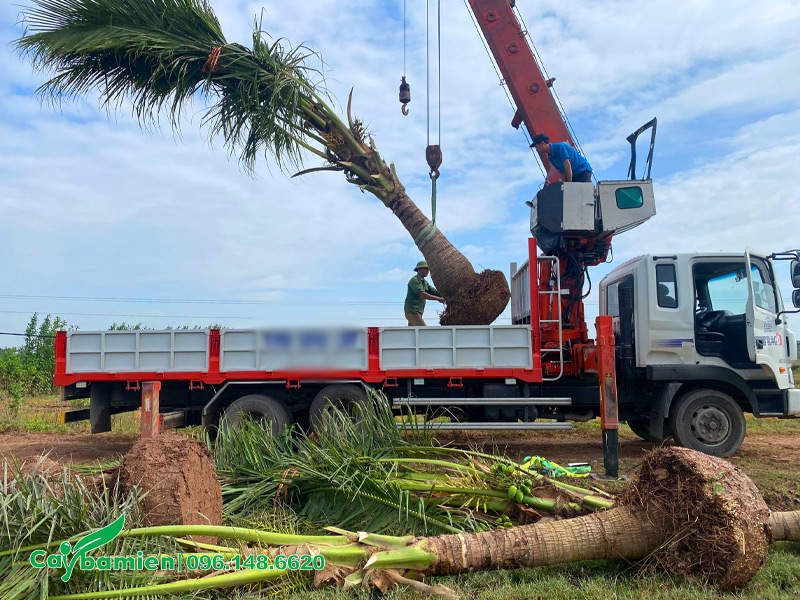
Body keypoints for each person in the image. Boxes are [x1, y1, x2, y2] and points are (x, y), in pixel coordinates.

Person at [404, 260, 445, 326]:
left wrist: (447, 295)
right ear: (419, 269)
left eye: (428, 269)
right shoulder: (414, 280)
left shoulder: (425, 283)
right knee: (423, 332)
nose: (427, 271)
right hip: (412, 312)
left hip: (418, 313)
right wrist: (438, 299)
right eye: (425, 269)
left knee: (413, 334)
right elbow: (422, 294)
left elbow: (434, 292)